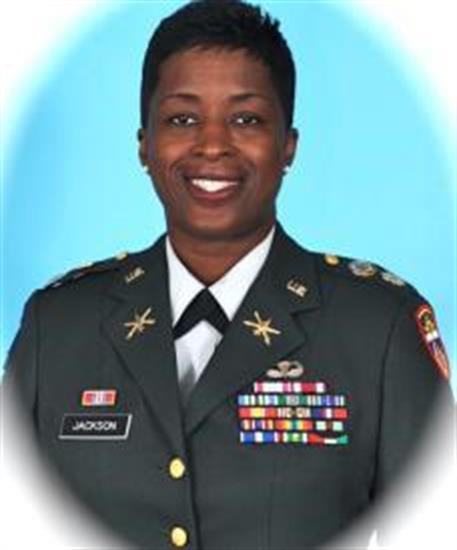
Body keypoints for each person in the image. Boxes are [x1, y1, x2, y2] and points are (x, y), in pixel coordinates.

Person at [3, 1, 453, 548]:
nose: (212, 144)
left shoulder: (377, 330)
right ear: (144, 144)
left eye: (246, 120)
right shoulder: (57, 328)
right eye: (182, 119)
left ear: (288, 146)